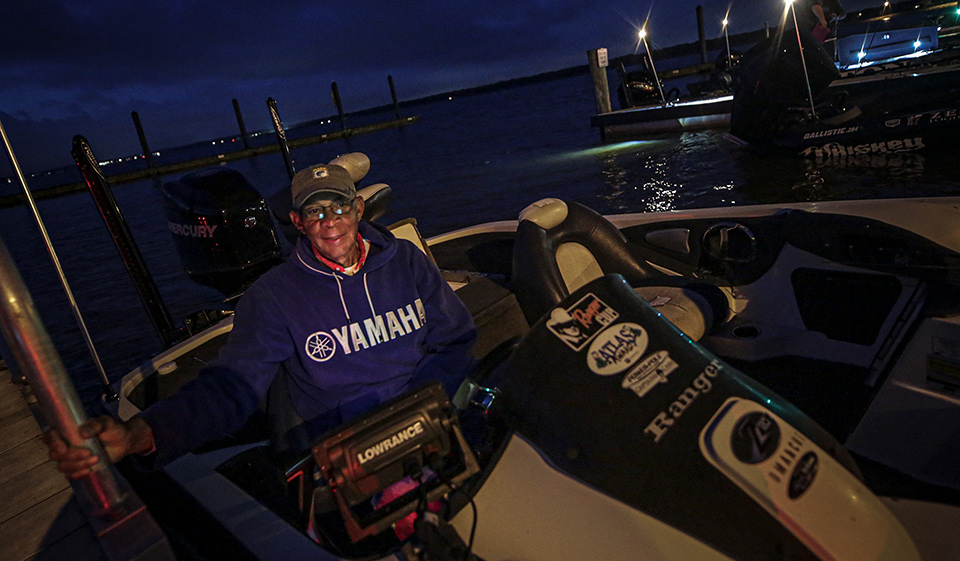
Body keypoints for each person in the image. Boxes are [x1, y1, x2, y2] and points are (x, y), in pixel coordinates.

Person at [45, 162, 477, 478]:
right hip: (347, 447)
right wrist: (140, 433)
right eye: (315, 212)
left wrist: (426, 402)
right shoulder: (273, 296)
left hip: (429, 414)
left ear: (359, 209)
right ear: (297, 222)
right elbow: (231, 386)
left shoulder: (406, 261)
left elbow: (455, 338)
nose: (330, 223)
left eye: (339, 207)